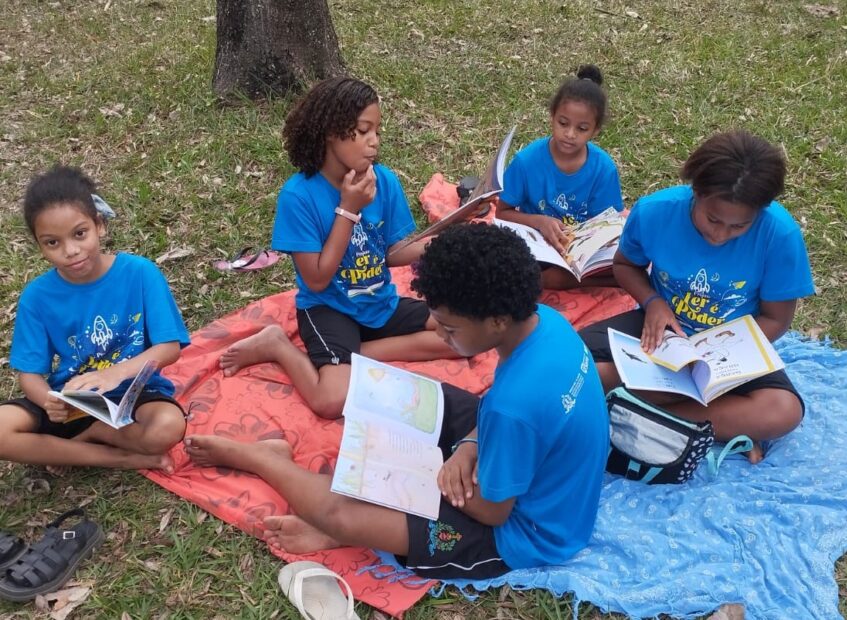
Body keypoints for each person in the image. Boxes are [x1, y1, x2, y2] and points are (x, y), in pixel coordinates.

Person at [186, 223, 609, 579]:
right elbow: (505, 411)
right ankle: (375, 524)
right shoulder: (544, 322)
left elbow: (494, 510)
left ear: (496, 321)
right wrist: (468, 445)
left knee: (342, 513)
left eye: (449, 329)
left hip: (522, 533)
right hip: (523, 457)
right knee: (410, 398)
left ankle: (268, 462)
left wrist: (430, 477)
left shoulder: (514, 408)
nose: (438, 334)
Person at [218, 77, 458, 420]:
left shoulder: (383, 181)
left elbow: (393, 252)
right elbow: (316, 280)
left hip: (379, 301)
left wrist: (446, 239)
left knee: (460, 336)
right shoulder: (299, 196)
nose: (374, 141)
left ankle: (357, 355)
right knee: (331, 400)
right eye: (363, 131)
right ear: (332, 131)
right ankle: (276, 344)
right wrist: (348, 208)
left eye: (377, 131)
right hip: (329, 308)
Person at [580, 130, 815, 463]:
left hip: (730, 352)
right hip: (659, 332)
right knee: (573, 363)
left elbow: (776, 319)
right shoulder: (655, 212)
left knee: (783, 411)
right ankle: (716, 422)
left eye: (738, 227)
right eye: (712, 219)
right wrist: (653, 302)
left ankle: (641, 413)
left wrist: (716, 354)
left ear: (760, 211)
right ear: (696, 192)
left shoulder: (779, 235)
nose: (719, 235)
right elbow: (625, 265)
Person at [0, 166, 189, 472]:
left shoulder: (140, 273)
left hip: (134, 396)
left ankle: (95, 435)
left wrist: (114, 374)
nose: (71, 251)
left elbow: (169, 348)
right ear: (39, 245)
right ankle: (119, 457)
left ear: (99, 225)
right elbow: (29, 374)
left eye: (79, 233)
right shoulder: (36, 297)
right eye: (52, 242)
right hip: (72, 402)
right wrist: (49, 401)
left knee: (167, 427)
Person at [496, 64, 624, 289]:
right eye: (563, 123)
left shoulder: (603, 169)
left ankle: (588, 277)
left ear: (595, 131)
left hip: (576, 253)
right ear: (552, 117)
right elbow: (501, 212)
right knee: (501, 265)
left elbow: (607, 226)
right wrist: (539, 222)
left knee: (628, 258)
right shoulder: (527, 161)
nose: (570, 134)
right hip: (535, 246)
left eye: (582, 128)